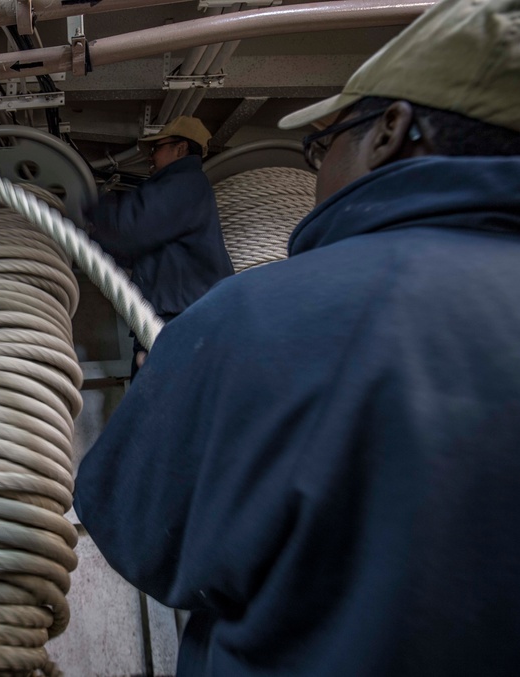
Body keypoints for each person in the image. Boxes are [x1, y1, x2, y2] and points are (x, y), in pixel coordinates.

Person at [74, 0, 520, 675]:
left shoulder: (260, 315)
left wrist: (69, 211)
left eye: (325, 141)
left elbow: (134, 528)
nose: (319, 170)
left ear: (389, 132)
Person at [85, 116, 234, 375]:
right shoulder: (179, 190)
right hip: (172, 317)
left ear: (180, 148)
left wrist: (86, 202)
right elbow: (130, 248)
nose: (150, 156)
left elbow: (130, 229)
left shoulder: (185, 183)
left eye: (157, 148)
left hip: (181, 320)